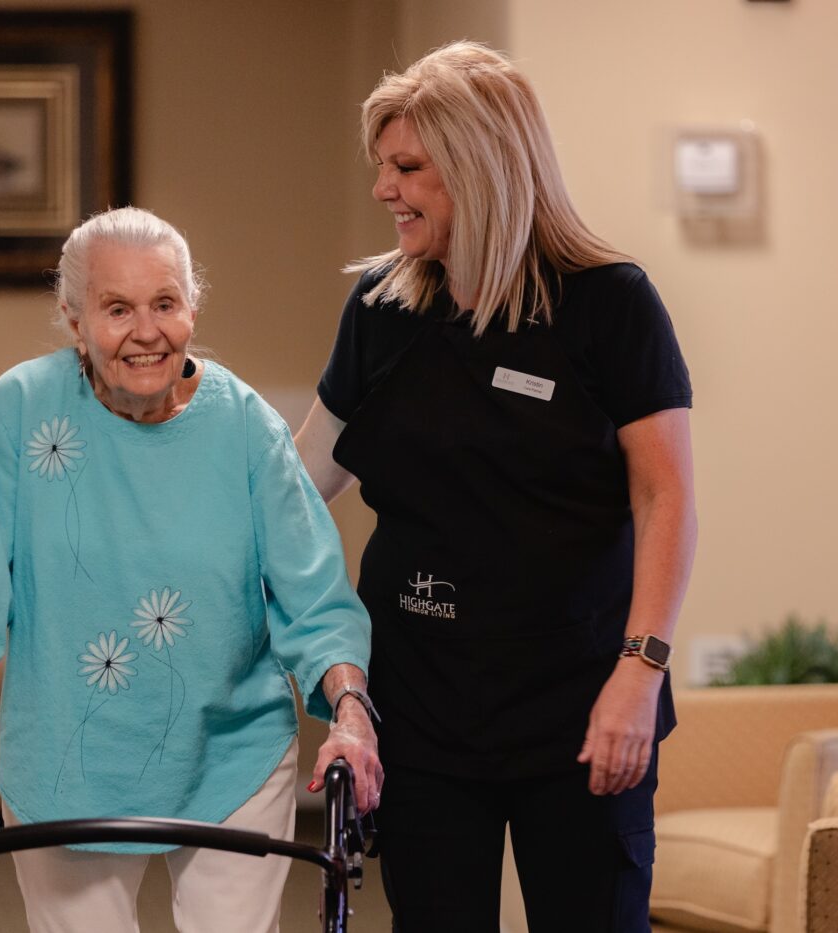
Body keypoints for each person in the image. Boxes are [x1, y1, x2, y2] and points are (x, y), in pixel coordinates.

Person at [294, 41, 696, 932]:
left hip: (582, 702)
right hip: (422, 702)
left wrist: (641, 671)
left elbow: (664, 497)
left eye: (407, 167)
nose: (383, 189)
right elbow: (297, 485)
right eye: (382, 166)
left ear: (479, 167)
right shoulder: (383, 308)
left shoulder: (610, 304)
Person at [0, 207, 382, 933]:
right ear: (74, 320)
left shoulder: (245, 426)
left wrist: (351, 714)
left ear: (193, 307)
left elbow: (314, 594)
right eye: (117, 309)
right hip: (67, 757)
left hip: (232, 752)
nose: (146, 331)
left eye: (165, 303)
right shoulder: (18, 410)